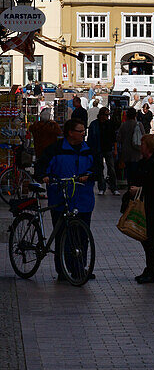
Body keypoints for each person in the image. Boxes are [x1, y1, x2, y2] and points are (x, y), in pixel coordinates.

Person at [35, 118, 98, 281]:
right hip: (60, 199)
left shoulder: (88, 149)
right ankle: (62, 269)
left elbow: (97, 169)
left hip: (83, 200)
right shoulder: (55, 149)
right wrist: (44, 177)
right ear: (70, 133)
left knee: (82, 237)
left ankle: (79, 268)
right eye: (80, 131)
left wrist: (90, 175)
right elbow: (41, 167)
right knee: (62, 235)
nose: (83, 134)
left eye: (84, 131)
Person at [129, 133, 154, 284]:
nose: (141, 146)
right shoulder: (143, 162)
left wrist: (139, 189)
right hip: (145, 207)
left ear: (149, 147)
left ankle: (153, 272)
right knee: (146, 240)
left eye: (143, 144)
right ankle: (149, 268)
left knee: (152, 240)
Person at [88, 107, 119, 195]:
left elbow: (114, 138)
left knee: (111, 169)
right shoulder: (94, 124)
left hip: (108, 149)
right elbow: (91, 138)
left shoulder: (109, 124)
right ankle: (102, 187)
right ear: (101, 115)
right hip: (98, 149)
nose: (107, 117)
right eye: (106, 115)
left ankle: (113, 187)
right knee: (100, 169)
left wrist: (115, 149)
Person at [117, 107, 145, 183]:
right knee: (136, 172)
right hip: (137, 153)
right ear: (135, 115)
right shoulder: (139, 124)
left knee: (128, 173)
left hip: (126, 152)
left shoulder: (123, 125)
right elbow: (144, 137)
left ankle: (130, 186)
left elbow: (118, 138)